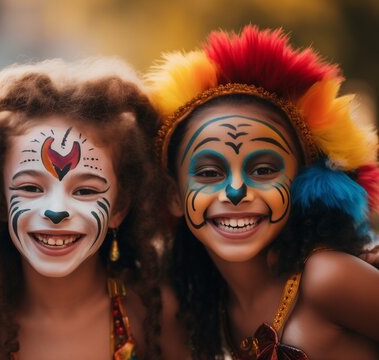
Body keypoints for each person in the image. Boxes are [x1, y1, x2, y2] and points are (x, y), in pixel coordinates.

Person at [146, 25, 379, 359]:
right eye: (210, 173)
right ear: (173, 195)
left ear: (301, 182)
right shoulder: (210, 304)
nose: (237, 190)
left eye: (264, 170)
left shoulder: (326, 277)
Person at [0, 58, 186, 359]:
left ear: (119, 207)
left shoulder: (156, 317)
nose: (55, 211)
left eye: (85, 190)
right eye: (31, 188)